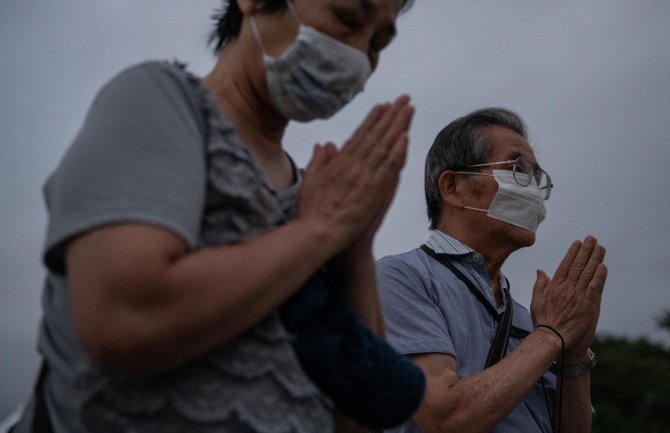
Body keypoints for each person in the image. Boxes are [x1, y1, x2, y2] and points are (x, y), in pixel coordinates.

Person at [9, 1, 425, 432]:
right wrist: (321, 231)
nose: (358, 55)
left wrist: (355, 251)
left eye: (377, 44)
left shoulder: (315, 200)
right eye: (347, 20)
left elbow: (362, 416)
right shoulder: (159, 98)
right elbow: (125, 319)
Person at [376, 107, 608, 433]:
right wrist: (550, 335)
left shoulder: (529, 317)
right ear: (453, 187)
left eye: (536, 177)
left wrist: (575, 351)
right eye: (516, 168)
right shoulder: (402, 277)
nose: (530, 187)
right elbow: (444, 418)